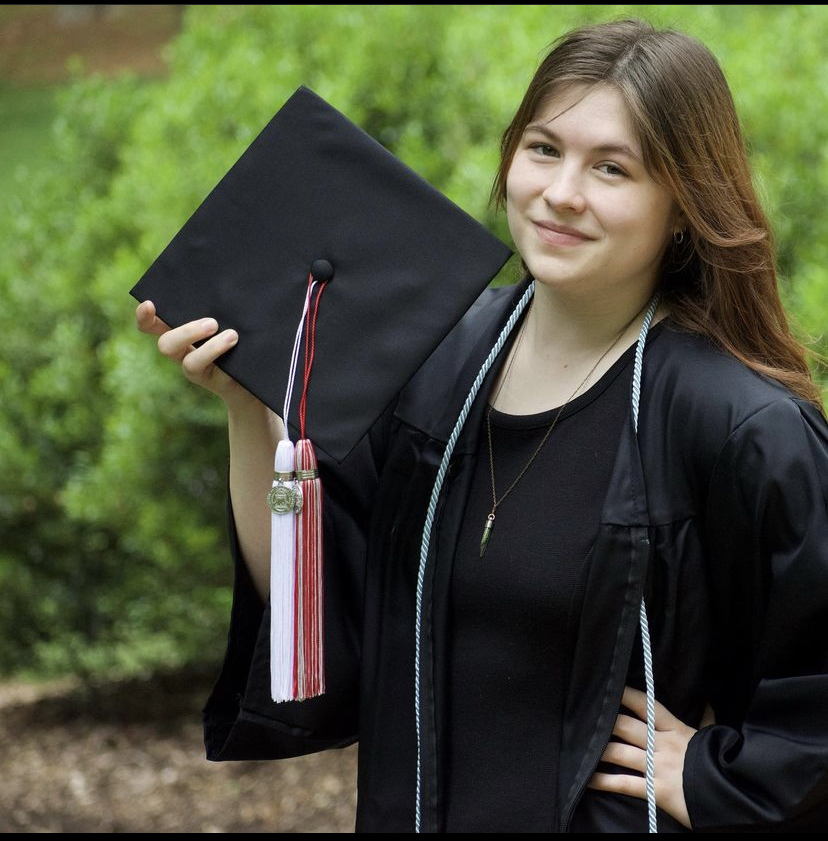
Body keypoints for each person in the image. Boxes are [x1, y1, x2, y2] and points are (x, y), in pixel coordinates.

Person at [136, 18, 828, 833]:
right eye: (543, 149)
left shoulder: (739, 425)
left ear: (683, 204)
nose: (561, 191)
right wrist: (251, 414)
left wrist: (714, 780)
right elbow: (317, 620)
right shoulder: (433, 365)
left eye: (612, 167)